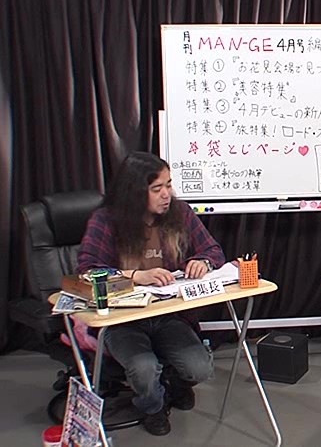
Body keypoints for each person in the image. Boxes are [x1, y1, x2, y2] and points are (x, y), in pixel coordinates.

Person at [77, 152, 225, 436]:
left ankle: (174, 385)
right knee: (143, 368)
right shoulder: (106, 220)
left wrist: (203, 262)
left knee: (200, 368)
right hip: (123, 319)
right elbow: (87, 271)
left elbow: (213, 250)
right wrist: (135, 276)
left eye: (168, 185)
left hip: (169, 314)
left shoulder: (180, 213)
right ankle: (152, 407)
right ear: (134, 191)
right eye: (157, 189)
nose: (166, 194)